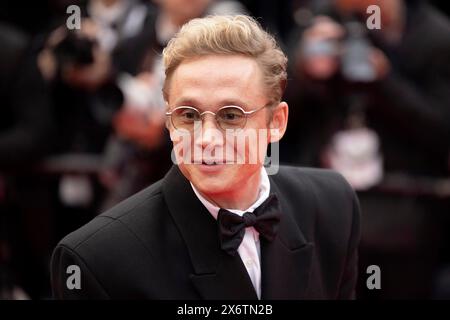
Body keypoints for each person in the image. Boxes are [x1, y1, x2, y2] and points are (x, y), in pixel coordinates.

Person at [51, 15, 361, 300]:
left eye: (231, 115)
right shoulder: (97, 258)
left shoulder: (334, 205)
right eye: (188, 115)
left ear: (276, 122)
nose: (207, 139)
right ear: (170, 122)